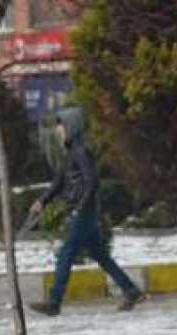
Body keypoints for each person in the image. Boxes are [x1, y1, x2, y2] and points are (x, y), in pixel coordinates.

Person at [27, 108, 144, 316]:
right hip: (82, 211)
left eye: (61, 126)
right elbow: (60, 182)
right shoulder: (71, 153)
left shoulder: (81, 152)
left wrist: (80, 208)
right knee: (100, 256)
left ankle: (54, 302)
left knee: (65, 255)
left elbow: (92, 182)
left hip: (82, 212)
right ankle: (131, 290)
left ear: (71, 127)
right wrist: (42, 201)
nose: (58, 131)